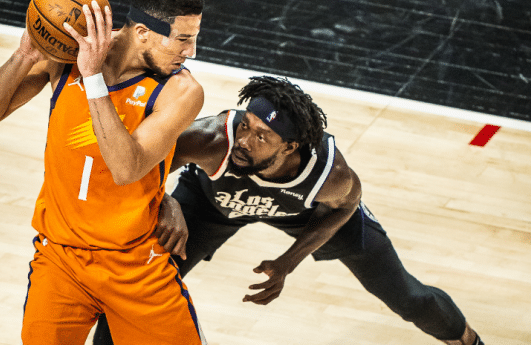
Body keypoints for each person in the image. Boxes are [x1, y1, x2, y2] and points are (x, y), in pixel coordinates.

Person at [93, 76, 485, 345]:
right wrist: (168, 202)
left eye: (262, 136)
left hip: (306, 214)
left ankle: (467, 340)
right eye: (246, 125)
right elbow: (140, 167)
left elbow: (346, 207)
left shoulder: (330, 175)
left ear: (290, 148)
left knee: (408, 296)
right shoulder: (211, 139)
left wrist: (288, 261)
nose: (245, 140)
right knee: (136, 288)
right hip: (211, 203)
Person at [0, 0, 208, 345]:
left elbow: (126, 168)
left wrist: (93, 77)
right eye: (182, 39)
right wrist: (24, 55)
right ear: (142, 32)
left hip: (133, 264)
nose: (190, 51)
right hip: (61, 257)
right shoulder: (67, 55)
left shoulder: (181, 92)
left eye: (193, 39)